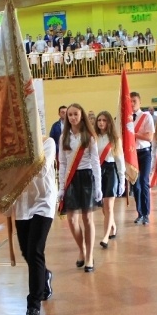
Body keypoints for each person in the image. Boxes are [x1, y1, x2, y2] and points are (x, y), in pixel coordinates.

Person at [13, 135, 56, 315]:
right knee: (26, 252)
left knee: (35, 250)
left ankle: (33, 305)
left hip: (43, 201)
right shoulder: (13, 146)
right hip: (22, 203)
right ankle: (44, 276)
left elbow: (41, 168)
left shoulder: (47, 142)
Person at [58, 103, 102, 272]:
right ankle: (81, 249)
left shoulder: (89, 136)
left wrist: (98, 186)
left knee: (88, 219)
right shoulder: (64, 137)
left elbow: (95, 161)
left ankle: (89, 255)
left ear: (81, 115)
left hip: (87, 177)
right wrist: (61, 187)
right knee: (71, 219)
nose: (73, 117)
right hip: (71, 179)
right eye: (70, 115)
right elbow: (62, 163)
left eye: (75, 114)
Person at [94, 111, 125, 248]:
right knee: (103, 207)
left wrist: (122, 180)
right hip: (98, 171)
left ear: (109, 122)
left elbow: (120, 160)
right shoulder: (93, 138)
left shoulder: (114, 139)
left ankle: (105, 237)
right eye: (99, 120)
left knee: (108, 206)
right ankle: (112, 226)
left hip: (111, 171)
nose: (101, 122)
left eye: (104, 120)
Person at [128, 91, 154, 224]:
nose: (132, 104)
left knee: (144, 182)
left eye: (134, 101)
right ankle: (139, 213)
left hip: (144, 153)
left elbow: (149, 137)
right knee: (135, 185)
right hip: (132, 154)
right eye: (130, 101)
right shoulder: (126, 118)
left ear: (140, 102)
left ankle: (146, 214)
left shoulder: (146, 116)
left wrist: (134, 134)